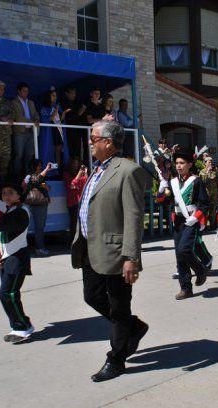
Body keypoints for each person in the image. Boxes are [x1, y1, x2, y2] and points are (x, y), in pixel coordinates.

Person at [71, 120, 148, 382]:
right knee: (92, 296)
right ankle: (133, 327)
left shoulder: (128, 170)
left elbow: (134, 217)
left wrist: (131, 257)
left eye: (94, 138)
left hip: (116, 253)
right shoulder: (96, 170)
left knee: (118, 306)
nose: (90, 142)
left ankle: (116, 358)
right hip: (90, 249)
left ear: (108, 142)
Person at [0, 182, 34, 343]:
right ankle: (20, 325)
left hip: (17, 260)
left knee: (7, 294)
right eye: (4, 193)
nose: (6, 195)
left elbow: (3, 224)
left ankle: (22, 327)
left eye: (10, 192)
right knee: (8, 294)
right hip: (8, 259)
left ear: (19, 195)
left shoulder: (22, 212)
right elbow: (2, 237)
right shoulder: (11, 211)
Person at [158, 144, 212, 300]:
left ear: (190, 164)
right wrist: (162, 190)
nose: (179, 166)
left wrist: (196, 217)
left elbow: (204, 203)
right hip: (179, 221)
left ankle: (200, 270)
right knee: (180, 256)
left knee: (184, 250)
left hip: (191, 219)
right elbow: (164, 202)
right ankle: (186, 288)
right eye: (177, 163)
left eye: (182, 163)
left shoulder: (196, 181)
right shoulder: (173, 182)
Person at [23, 159, 52, 257]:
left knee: (40, 227)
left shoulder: (39, 177)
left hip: (42, 204)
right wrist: (47, 169)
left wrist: (46, 187)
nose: (40, 167)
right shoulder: (29, 176)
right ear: (34, 166)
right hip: (37, 204)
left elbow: (44, 186)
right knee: (39, 228)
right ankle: (39, 249)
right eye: (39, 166)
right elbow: (36, 179)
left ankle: (40, 248)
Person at [11, 82, 40, 179]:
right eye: (24, 91)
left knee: (29, 156)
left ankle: (27, 178)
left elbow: (36, 115)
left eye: (27, 91)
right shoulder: (14, 102)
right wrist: (33, 121)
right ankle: (17, 176)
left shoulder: (31, 102)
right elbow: (19, 118)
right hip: (19, 132)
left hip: (30, 132)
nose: (26, 93)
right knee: (18, 155)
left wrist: (36, 120)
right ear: (18, 91)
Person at [38, 87, 68, 178]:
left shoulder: (58, 107)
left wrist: (63, 114)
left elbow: (60, 120)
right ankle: (48, 172)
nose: (55, 97)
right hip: (49, 133)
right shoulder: (44, 108)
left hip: (57, 131)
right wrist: (55, 111)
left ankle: (56, 171)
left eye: (56, 96)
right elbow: (47, 119)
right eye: (53, 95)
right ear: (48, 96)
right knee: (49, 151)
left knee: (58, 152)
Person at [61, 86, 88, 162]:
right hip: (69, 131)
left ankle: (78, 168)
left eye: (74, 93)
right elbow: (68, 118)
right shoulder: (64, 103)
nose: (74, 95)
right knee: (71, 151)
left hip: (78, 131)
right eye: (72, 93)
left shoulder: (77, 102)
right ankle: (70, 169)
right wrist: (79, 112)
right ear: (66, 93)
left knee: (77, 151)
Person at [63, 158, 88, 236]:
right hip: (72, 201)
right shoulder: (66, 174)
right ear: (70, 164)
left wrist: (85, 173)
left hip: (81, 200)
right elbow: (71, 185)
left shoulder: (80, 174)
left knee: (82, 221)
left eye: (77, 164)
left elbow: (86, 182)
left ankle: (81, 239)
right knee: (74, 222)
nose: (75, 165)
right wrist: (78, 175)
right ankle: (73, 240)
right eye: (74, 163)